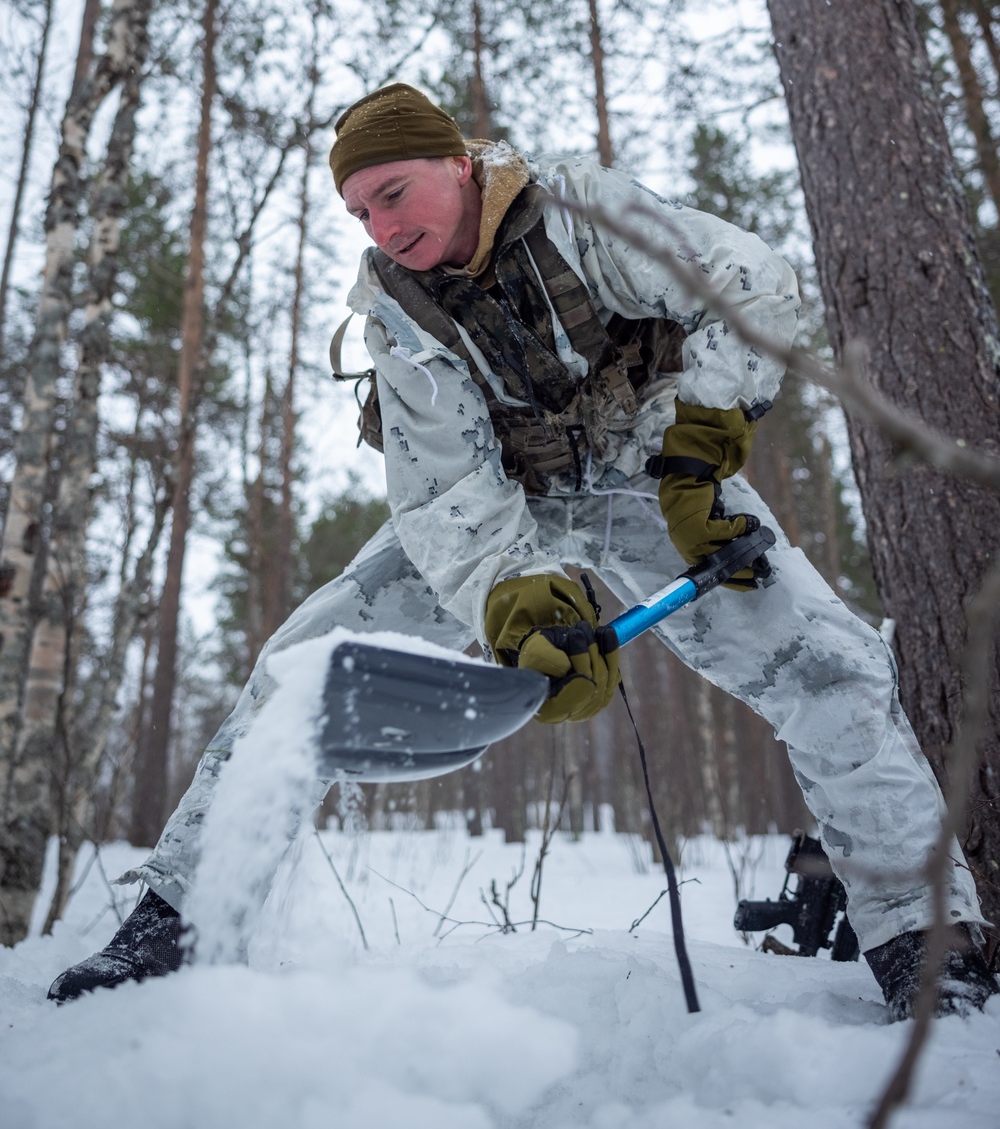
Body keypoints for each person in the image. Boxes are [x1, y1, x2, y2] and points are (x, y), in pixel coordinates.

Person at [49, 84, 997, 1019]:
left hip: (646, 474)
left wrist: (698, 451)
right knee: (304, 670)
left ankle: (928, 948)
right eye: (358, 209)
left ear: (458, 164)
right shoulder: (397, 314)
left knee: (831, 668)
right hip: (502, 497)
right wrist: (525, 602)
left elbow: (746, 277)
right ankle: (175, 924)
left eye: (394, 192)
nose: (379, 225)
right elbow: (448, 490)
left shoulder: (579, 212)